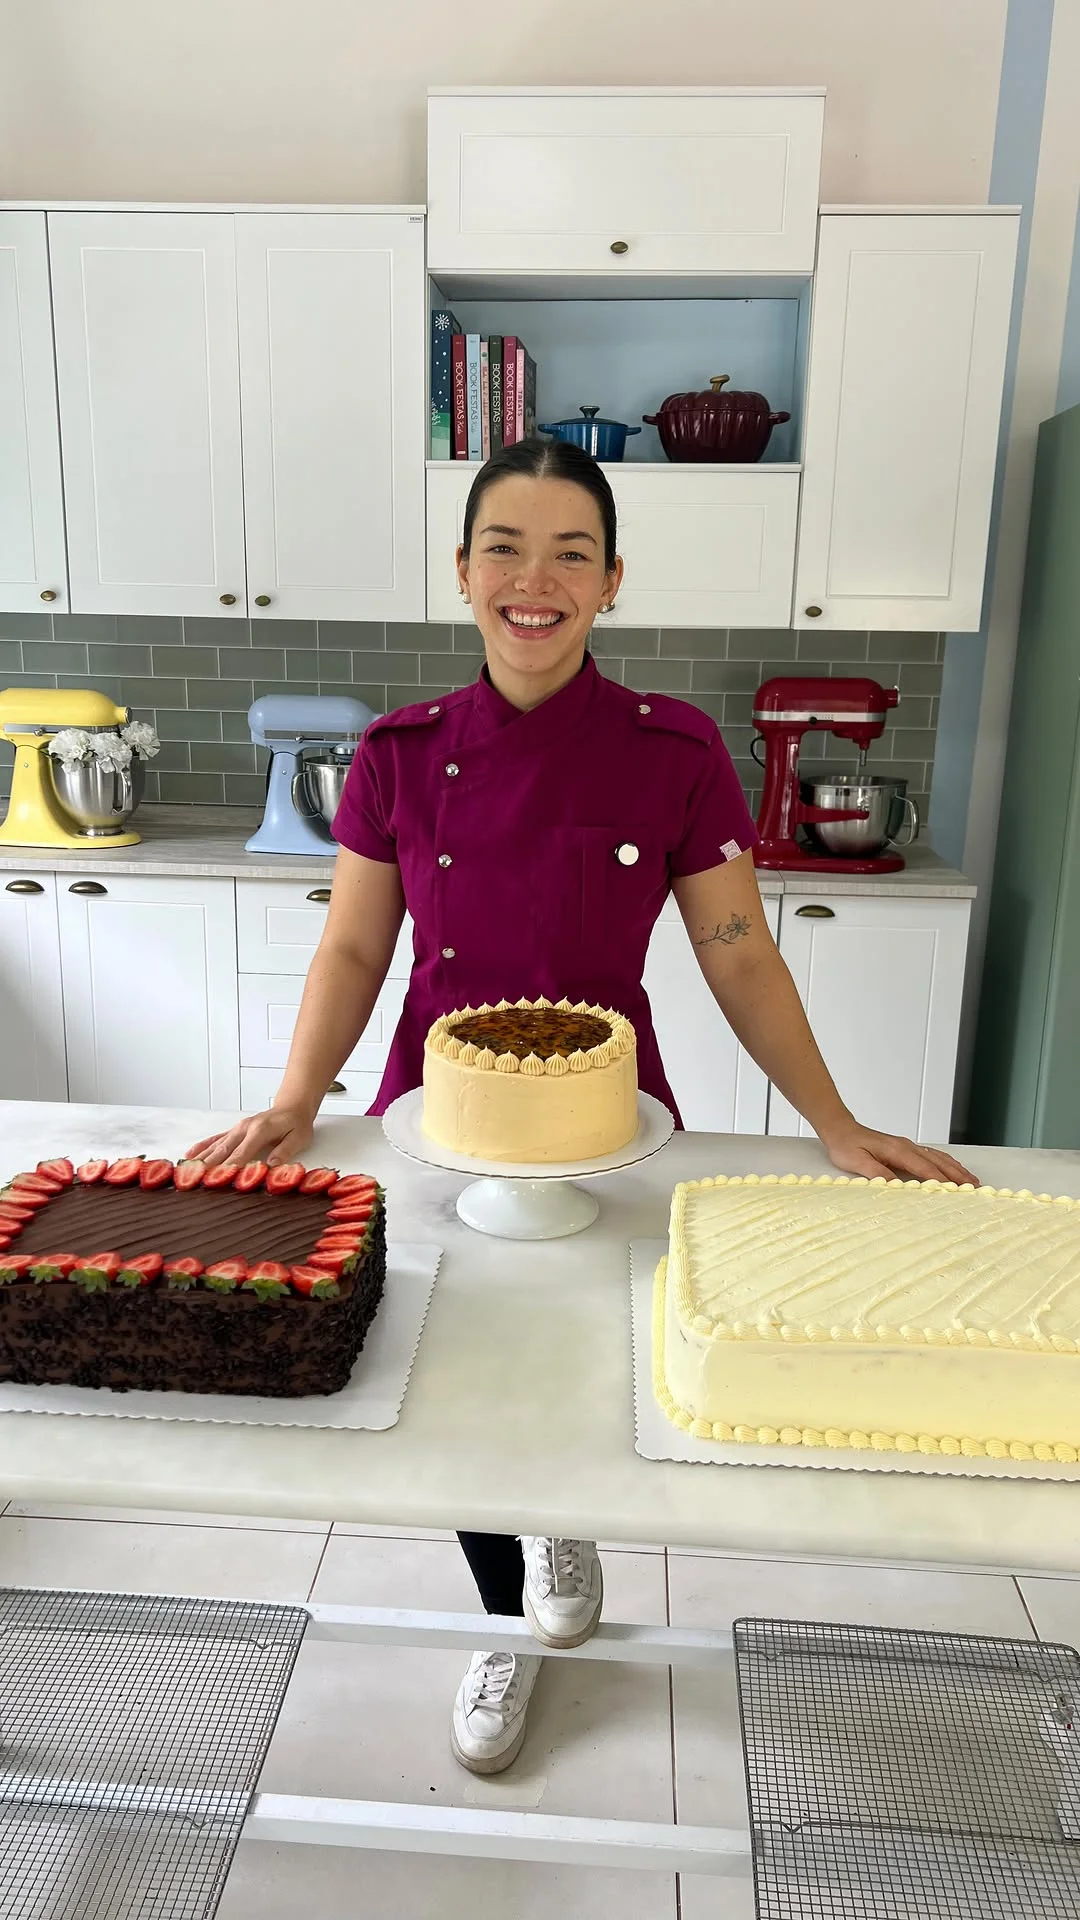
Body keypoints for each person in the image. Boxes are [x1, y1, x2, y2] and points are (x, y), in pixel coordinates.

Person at [192, 438, 975, 1776]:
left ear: (613, 582)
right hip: (429, 1122)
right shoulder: (398, 753)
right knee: (449, 1385)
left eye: (570, 554)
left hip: (615, 1128)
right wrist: (292, 1096)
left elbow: (737, 949)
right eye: (505, 547)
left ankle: (560, 1519)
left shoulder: (673, 754)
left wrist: (836, 1122)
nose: (533, 580)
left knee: (578, 1370)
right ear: (463, 572)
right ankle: (505, 1610)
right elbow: (353, 951)